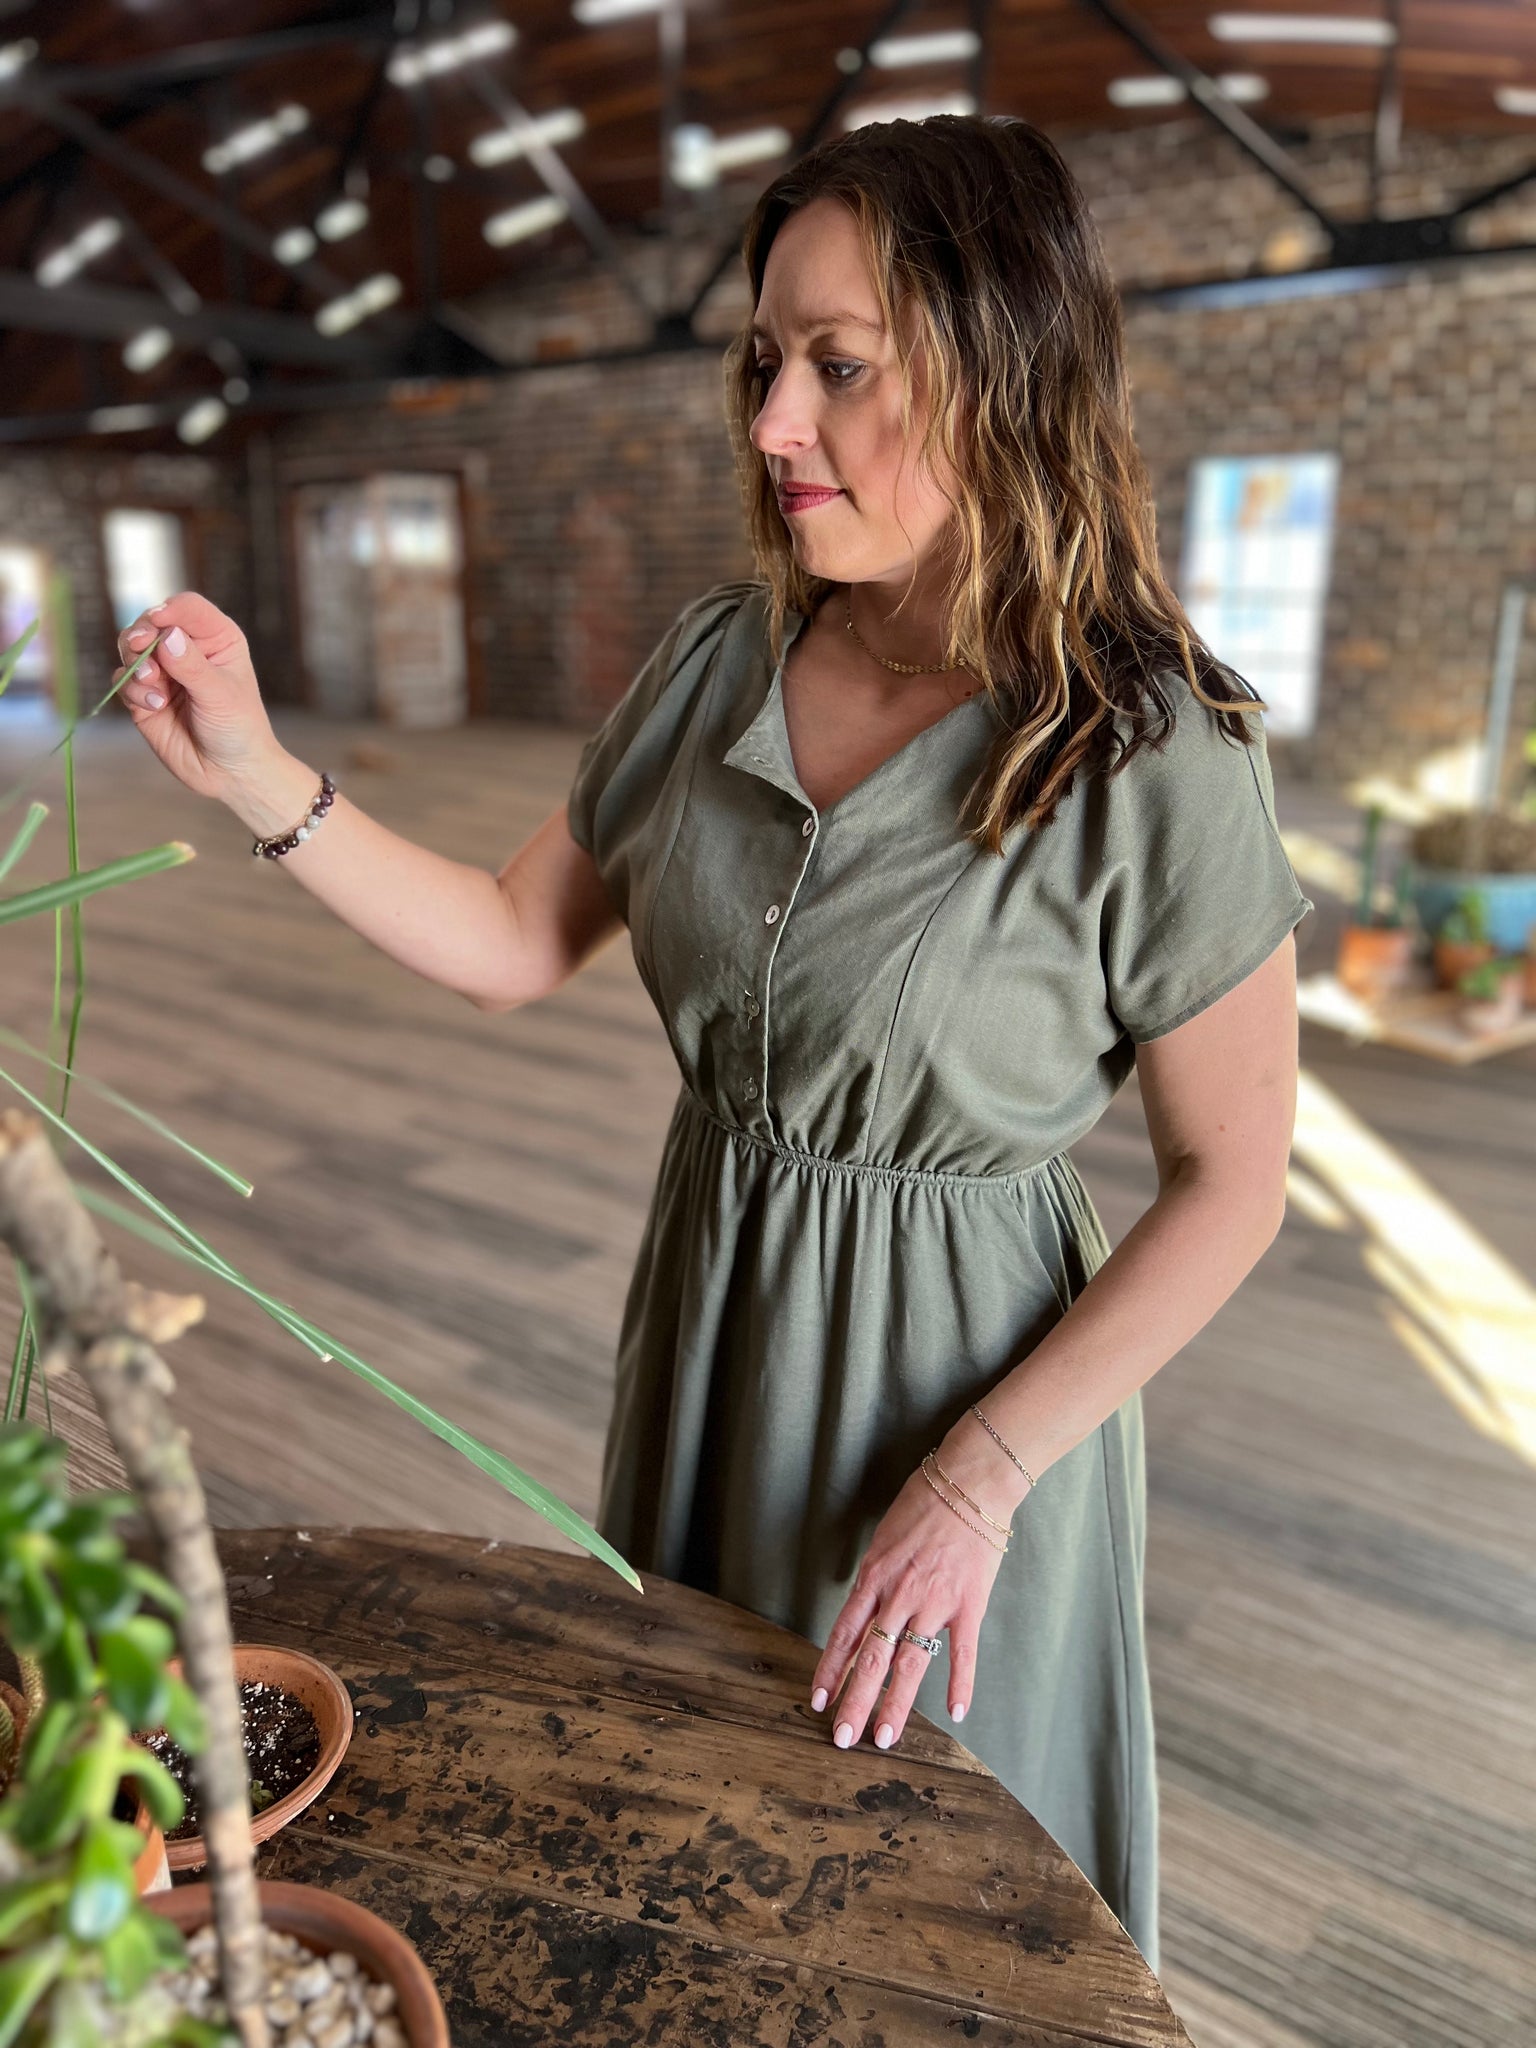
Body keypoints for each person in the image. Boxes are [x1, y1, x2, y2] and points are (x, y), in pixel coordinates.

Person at [112, 115, 1310, 1971]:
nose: (772, 421)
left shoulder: (1156, 751)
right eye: (765, 363)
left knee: (935, 1907)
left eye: (840, 365)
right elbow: (513, 939)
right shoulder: (716, 661)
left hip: (970, 1391)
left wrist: (981, 1478)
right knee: (696, 1845)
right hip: (714, 1319)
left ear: (1006, 367)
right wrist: (260, 773)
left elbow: (1234, 1181)